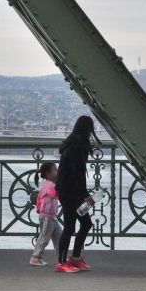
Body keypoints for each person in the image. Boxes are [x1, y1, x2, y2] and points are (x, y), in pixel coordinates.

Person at [54, 115, 97, 272]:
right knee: (71, 227)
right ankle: (62, 262)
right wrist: (86, 195)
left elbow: (76, 174)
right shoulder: (77, 147)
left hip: (70, 192)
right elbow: (77, 173)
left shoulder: (73, 144)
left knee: (83, 224)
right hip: (70, 193)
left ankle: (74, 258)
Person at [30, 162, 62, 267]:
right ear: (48, 173)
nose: (57, 173)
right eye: (55, 170)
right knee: (44, 237)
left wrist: (39, 208)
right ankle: (36, 257)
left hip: (52, 216)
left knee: (59, 236)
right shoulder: (48, 184)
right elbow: (55, 194)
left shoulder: (47, 184)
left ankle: (60, 258)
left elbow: (40, 197)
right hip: (47, 217)